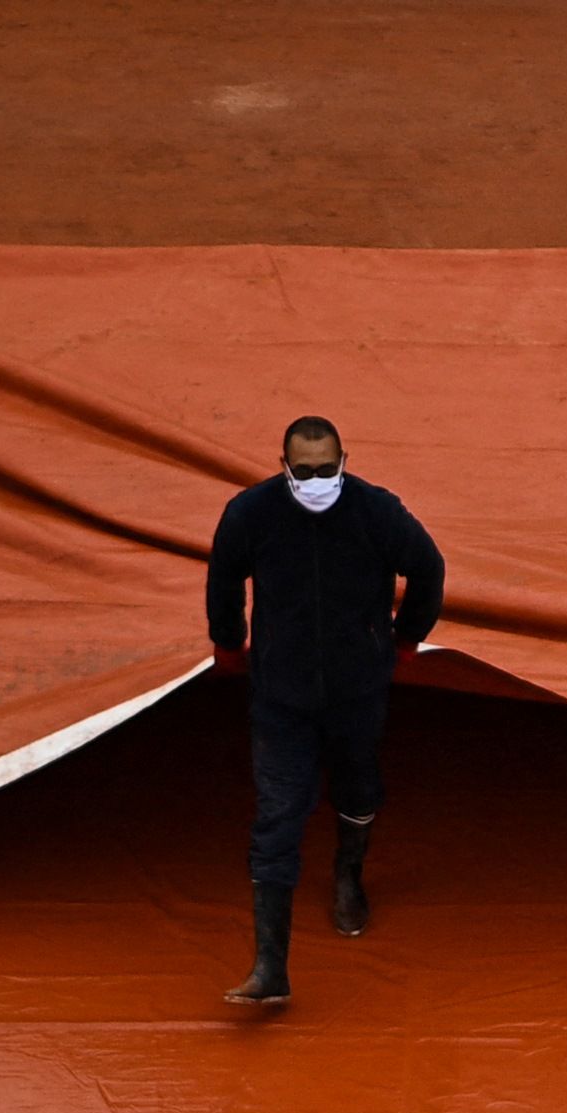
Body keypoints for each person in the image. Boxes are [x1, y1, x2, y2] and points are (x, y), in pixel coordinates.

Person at [204, 416, 445, 1009]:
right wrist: (229, 643)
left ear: (344, 461)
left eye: (327, 469)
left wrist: (406, 638)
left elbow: (429, 568)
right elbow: (224, 578)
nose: (316, 480)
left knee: (358, 789)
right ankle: (270, 966)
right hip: (281, 696)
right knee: (278, 815)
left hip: (357, 690)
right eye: (304, 471)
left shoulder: (377, 512)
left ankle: (348, 875)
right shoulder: (250, 514)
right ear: (284, 466)